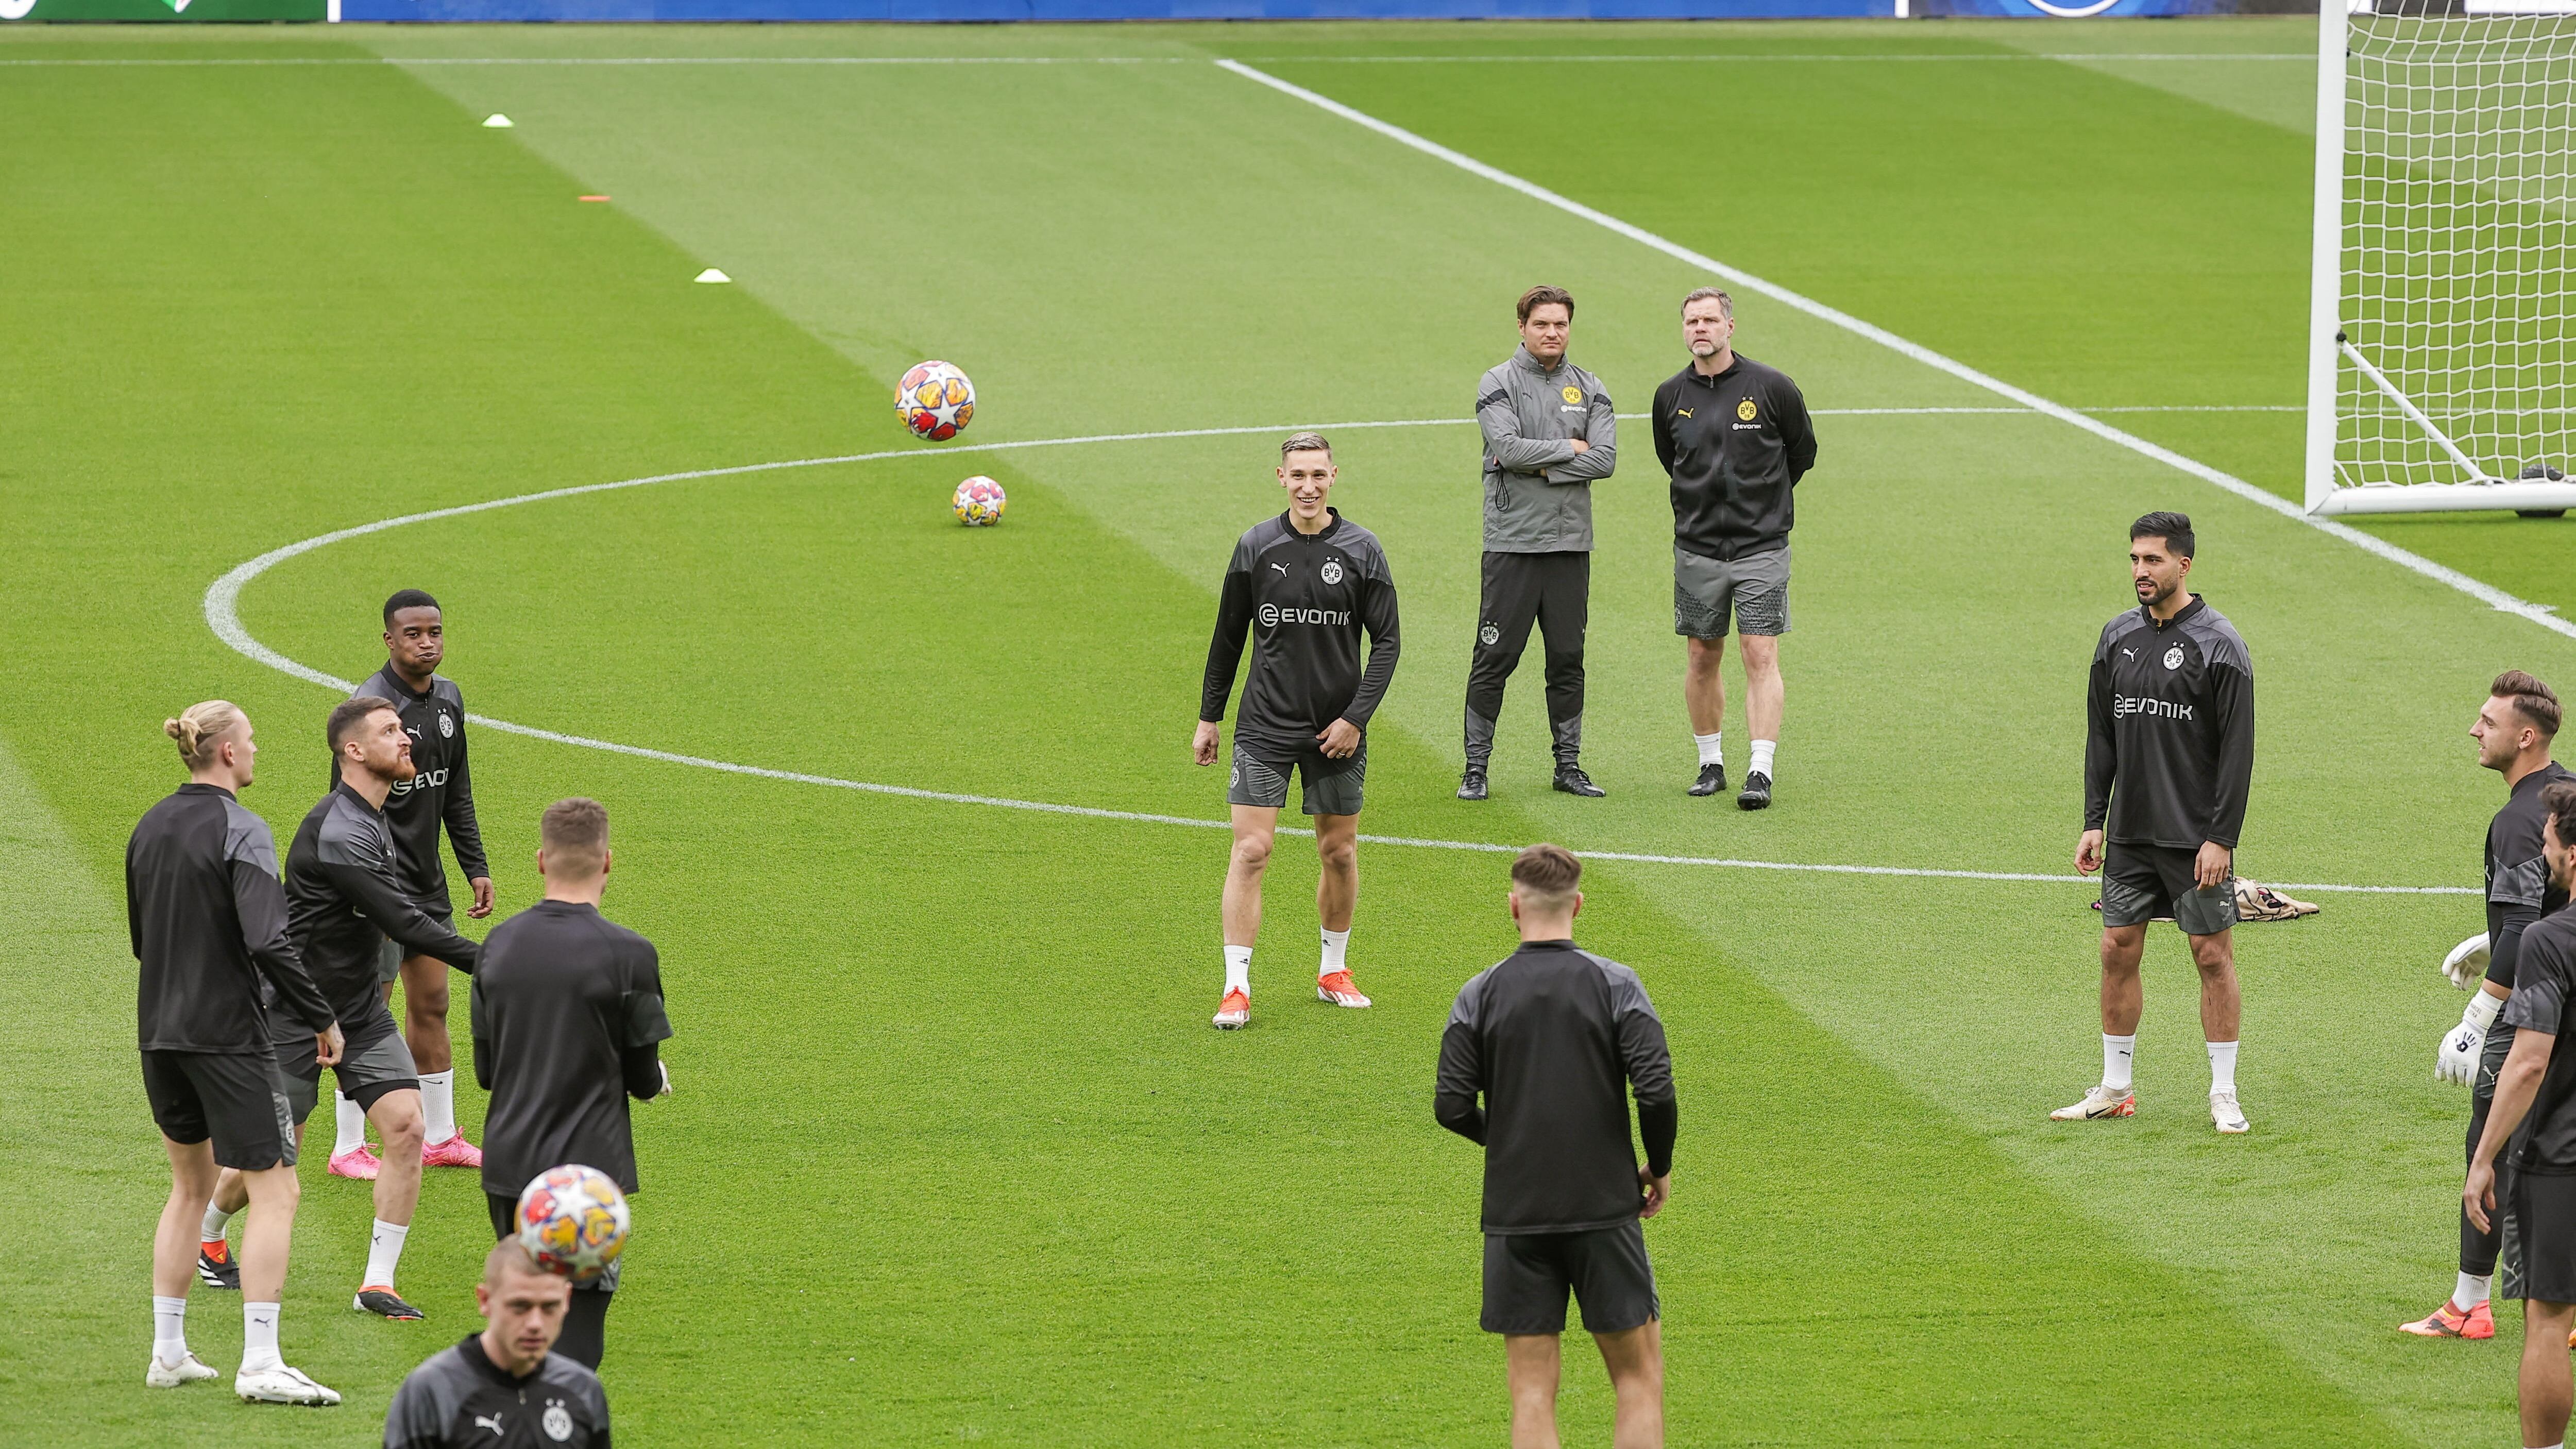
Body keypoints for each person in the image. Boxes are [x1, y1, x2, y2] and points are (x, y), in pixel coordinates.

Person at [126, 701, 345, 1406]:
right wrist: (321, 1017)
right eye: (250, 741)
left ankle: (168, 1354)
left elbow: (142, 938)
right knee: (277, 1188)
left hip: (158, 1029)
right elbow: (267, 940)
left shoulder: (148, 826)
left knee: (189, 1188)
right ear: (224, 752)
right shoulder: (242, 828)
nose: (256, 751)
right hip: (226, 1035)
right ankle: (260, 1362)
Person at [1436, 844, 1675, 1449]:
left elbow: (1451, 1106)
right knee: (1637, 1380)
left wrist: (1511, 1139)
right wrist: (1658, 1166)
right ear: (1579, 904)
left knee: (1532, 1392)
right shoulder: (1616, 984)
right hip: (1603, 1207)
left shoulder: (1479, 992)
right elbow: (1654, 1092)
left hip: (1516, 1215)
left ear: (1514, 906)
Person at [265, 696, 483, 1321]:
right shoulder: (341, 832)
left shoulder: (373, 816)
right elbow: (403, 921)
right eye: (391, 731)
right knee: (273, 1161)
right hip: (295, 1013)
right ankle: (211, 1231)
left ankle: (376, 1282)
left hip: (357, 1013)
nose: (407, 738)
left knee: (408, 1128)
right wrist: (496, 962)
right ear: (353, 751)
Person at [2055, 512, 2256, 1134]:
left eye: (2152, 560)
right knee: (2116, 949)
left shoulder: (2219, 643)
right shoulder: (2116, 637)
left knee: (2211, 957)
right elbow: (2100, 735)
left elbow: (2237, 751)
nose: (2140, 572)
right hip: (2130, 836)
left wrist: (2220, 836)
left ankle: (2223, 1091)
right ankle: (2115, 1086)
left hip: (2193, 839)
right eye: (2134, 559)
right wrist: (2095, 819)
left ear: (2183, 565)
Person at [1194, 432, 1402, 1030]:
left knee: (1337, 850)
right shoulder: (1255, 547)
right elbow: (1227, 637)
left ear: (1333, 476)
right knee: (1252, 849)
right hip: (1262, 726)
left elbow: (1386, 642)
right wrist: (1210, 717)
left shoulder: (1363, 550)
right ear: (1279, 478)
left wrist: (1354, 719)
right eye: (1297, 475)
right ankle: (1236, 986)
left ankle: (1332, 970)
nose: (1307, 486)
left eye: (1317, 474)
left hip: (1335, 732)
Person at [472, 798, 672, 1371]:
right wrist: (653, 1075)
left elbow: (487, 1073)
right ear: (608, 861)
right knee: (576, 1320)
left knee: (524, 1317)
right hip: (585, 1180)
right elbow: (640, 1078)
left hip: (510, 1171)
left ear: (540, 860)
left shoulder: (497, 946)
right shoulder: (630, 954)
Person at [2406, 672, 2571, 1338]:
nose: (2476, 730)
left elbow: (2527, 922)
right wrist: (2494, 936)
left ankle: (2469, 1303)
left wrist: (2477, 1021)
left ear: (2524, 736)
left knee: (2494, 1142)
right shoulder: (2568, 794)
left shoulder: (2517, 821)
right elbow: (2547, 908)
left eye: (2488, 721)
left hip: (2532, 1005)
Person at [329, 589, 494, 1180]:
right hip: (375, 889)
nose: (427, 642)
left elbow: (457, 791)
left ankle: (442, 1136)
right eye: (414, 633)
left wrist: (473, 864)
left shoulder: (448, 700)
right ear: (390, 641)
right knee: (368, 1009)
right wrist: (356, 888)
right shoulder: (369, 713)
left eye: (435, 632)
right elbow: (343, 805)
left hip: (426, 886)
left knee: (433, 1002)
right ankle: (349, 1145)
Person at [1650, 285, 1816, 809]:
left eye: (1708, 320)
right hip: (1697, 549)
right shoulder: (1669, 396)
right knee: (1701, 655)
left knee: (1759, 652)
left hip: (1760, 547)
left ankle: (1759, 771)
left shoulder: (1770, 387)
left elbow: (1801, 452)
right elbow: (1669, 457)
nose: (1699, 329)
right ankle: (1709, 763)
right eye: (1690, 321)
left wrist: (1762, 507)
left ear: (1729, 326)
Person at [1460, 285, 1616, 802]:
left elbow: (1605, 460)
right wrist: (1568, 450)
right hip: (1513, 545)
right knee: (1495, 655)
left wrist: (1540, 462)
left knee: (1567, 657)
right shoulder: (1497, 382)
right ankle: (1475, 769)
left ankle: (1567, 766)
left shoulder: (1589, 387)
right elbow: (1504, 446)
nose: (1552, 333)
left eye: (1560, 324)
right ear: (1522, 327)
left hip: (1570, 546)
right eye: (1541, 324)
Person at [2466, 782, 2576, 1449]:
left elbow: (2529, 1062)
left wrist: (2485, 1158)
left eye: (2550, 843)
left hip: (2560, 1158)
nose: (2543, 853)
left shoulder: (2549, 938)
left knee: (2547, 1320)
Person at [382, 1240, 611, 1448]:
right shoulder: (433, 1391)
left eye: (549, 1307)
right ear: (485, 1301)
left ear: (567, 1301)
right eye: (520, 1307)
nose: (535, 1324)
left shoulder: (582, 1389)